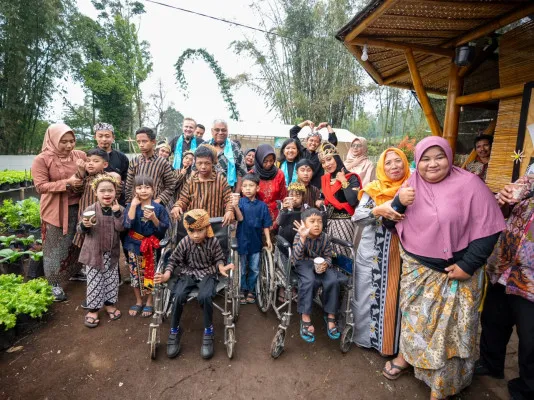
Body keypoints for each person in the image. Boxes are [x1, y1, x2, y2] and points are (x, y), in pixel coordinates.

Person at [380, 136, 505, 400]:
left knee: (452, 332)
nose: (432, 164)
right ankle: (407, 357)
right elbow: (389, 225)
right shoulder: (410, 184)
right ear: (417, 162)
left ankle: (444, 383)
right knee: (416, 322)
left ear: (450, 157)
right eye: (425, 158)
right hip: (418, 269)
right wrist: (399, 202)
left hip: (459, 272)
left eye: (439, 157)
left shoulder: (470, 184)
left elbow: (489, 228)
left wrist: (468, 265)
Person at [475, 167, 534, 400]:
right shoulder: (531, 174)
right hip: (506, 265)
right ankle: (491, 363)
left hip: (531, 278)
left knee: (530, 336)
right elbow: (509, 206)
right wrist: (503, 199)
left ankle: (528, 388)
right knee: (493, 318)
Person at [351, 148, 410, 356]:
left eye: (398, 161)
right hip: (372, 252)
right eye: (388, 163)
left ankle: (389, 346)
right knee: (366, 294)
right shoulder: (372, 189)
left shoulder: (412, 188)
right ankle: (364, 339)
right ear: (381, 167)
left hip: (401, 255)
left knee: (395, 297)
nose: (394, 166)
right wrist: (377, 210)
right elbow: (357, 218)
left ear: (405, 163)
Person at [154, 209, 235, 360]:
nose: (196, 235)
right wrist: (166, 274)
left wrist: (221, 267)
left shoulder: (213, 241)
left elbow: (219, 258)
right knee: (177, 295)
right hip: (188, 272)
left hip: (209, 272)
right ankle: (174, 330)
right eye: (191, 231)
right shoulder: (185, 242)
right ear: (187, 230)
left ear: (207, 228)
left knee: (205, 296)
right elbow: (173, 260)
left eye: (199, 230)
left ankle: (208, 331)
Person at [31, 123, 86, 301]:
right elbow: (40, 186)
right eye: (64, 142)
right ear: (53, 140)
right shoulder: (42, 159)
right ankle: (53, 283)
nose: (69, 146)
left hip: (78, 206)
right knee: (54, 247)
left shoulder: (79, 155)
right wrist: (67, 183)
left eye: (72, 141)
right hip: (55, 210)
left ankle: (75, 272)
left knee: (76, 242)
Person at [77, 175, 124, 328]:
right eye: (102, 190)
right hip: (93, 254)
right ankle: (93, 310)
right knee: (94, 282)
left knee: (111, 280)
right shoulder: (90, 210)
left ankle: (110, 305)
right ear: (95, 192)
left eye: (110, 190)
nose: (107, 194)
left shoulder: (119, 209)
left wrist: (117, 213)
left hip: (111, 253)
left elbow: (122, 228)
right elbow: (79, 230)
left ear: (115, 192)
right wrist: (85, 225)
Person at [123, 175, 170, 318]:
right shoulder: (131, 206)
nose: (143, 190)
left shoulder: (159, 208)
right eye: (139, 187)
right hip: (134, 245)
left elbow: (163, 229)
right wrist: (132, 206)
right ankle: (138, 301)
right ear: (135, 190)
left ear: (153, 190)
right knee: (135, 274)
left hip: (152, 246)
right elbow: (126, 225)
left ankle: (149, 302)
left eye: (147, 187)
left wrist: (154, 218)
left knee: (150, 273)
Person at [293, 208, 340, 343]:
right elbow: (296, 259)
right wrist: (302, 238)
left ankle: (330, 315)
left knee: (333, 280)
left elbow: (328, 255)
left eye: (319, 221)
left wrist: (327, 263)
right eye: (312, 221)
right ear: (304, 223)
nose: (316, 225)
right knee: (309, 281)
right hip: (303, 264)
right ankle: (305, 317)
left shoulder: (324, 237)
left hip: (320, 264)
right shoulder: (300, 235)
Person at [233, 174, 273, 304]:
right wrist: (234, 206)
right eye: (245, 186)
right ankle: (242, 289)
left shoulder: (262, 206)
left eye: (251, 186)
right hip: (242, 240)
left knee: (255, 268)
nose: (248, 188)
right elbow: (239, 219)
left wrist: (268, 239)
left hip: (256, 241)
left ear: (257, 188)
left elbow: (266, 224)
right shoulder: (239, 203)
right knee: (242, 267)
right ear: (242, 189)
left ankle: (251, 290)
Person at [171, 145, 234, 226]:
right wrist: (177, 206)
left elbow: (229, 199)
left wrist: (229, 210)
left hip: (214, 224)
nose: (203, 167)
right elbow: (183, 199)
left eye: (207, 163)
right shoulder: (191, 180)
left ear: (212, 163)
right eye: (199, 163)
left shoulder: (221, 180)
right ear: (195, 163)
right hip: (194, 226)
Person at [72, 148, 121, 250]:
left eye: (95, 161)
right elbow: (76, 189)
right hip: (86, 215)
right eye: (88, 161)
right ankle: (88, 265)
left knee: (103, 242)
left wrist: (118, 182)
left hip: (104, 217)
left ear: (105, 165)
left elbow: (117, 193)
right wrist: (81, 171)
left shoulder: (108, 178)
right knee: (87, 242)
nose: (90, 164)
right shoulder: (85, 178)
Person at [318, 143, 361, 256]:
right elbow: (328, 199)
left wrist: (343, 181)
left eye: (329, 159)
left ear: (336, 157)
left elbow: (353, 201)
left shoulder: (351, 177)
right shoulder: (326, 179)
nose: (327, 164)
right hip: (328, 223)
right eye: (323, 162)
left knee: (343, 256)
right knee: (329, 256)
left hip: (344, 224)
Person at [125, 127, 177, 207]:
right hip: (137, 206)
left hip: (155, 206)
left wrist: (158, 201)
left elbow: (171, 186)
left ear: (153, 142)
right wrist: (129, 205)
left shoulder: (163, 163)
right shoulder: (134, 162)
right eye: (138, 142)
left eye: (144, 141)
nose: (141, 145)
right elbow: (129, 186)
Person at [290, 120, 338, 188]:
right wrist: (306, 122)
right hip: (298, 189)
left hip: (314, 191)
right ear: (307, 140)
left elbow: (333, 142)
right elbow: (292, 132)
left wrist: (327, 125)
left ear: (319, 144)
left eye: (316, 141)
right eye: (311, 140)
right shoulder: (300, 151)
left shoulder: (320, 156)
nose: (313, 143)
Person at [93, 122, 129, 206]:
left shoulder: (122, 157)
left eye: (107, 136)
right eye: (100, 136)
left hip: (118, 201)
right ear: (95, 137)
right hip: (94, 201)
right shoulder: (89, 156)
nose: (104, 139)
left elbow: (127, 179)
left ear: (113, 138)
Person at [208, 119, 248, 193]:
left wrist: (236, 194)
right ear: (212, 131)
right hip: (207, 193)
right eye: (217, 130)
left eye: (223, 130)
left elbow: (241, 173)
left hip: (229, 194)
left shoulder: (235, 148)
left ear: (227, 131)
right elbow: (195, 169)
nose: (220, 133)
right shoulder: (204, 147)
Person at [253, 144, 288, 226]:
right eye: (265, 161)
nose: (268, 164)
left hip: (275, 217)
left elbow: (283, 196)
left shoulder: (279, 174)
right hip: (257, 216)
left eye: (271, 161)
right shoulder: (252, 175)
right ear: (259, 160)